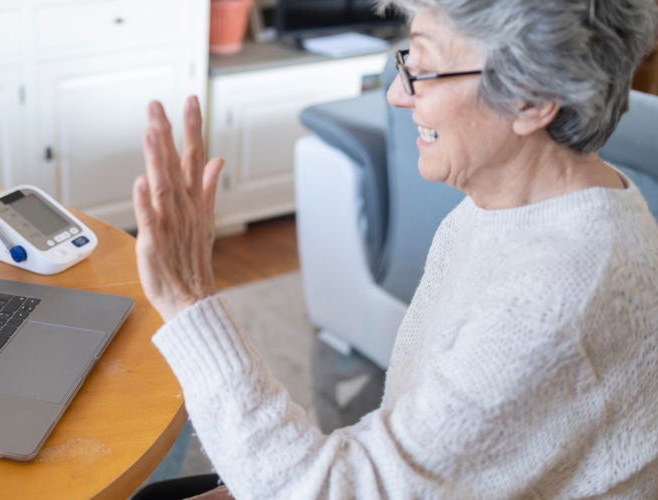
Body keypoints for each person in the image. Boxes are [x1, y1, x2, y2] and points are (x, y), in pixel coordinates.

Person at [132, 0, 658, 497]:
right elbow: (414, 439)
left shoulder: (555, 297)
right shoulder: (506, 203)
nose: (398, 95)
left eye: (423, 69)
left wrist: (190, 298)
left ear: (532, 100)